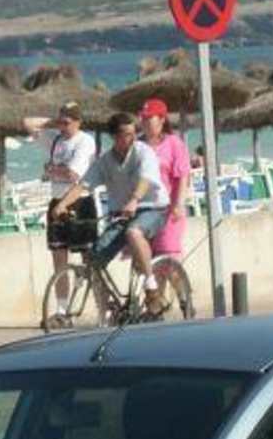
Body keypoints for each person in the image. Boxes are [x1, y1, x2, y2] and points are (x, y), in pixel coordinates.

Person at [54, 111, 165, 305]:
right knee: (93, 260)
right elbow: (83, 185)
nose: (132, 138)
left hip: (151, 208)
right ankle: (106, 310)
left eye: (134, 133)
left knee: (133, 232)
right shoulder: (105, 161)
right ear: (114, 136)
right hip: (122, 214)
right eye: (126, 134)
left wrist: (134, 200)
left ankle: (151, 286)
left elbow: (146, 179)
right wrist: (62, 204)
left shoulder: (143, 152)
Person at [41, 101, 98, 309]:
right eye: (60, 122)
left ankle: (102, 307)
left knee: (89, 258)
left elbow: (74, 174)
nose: (62, 127)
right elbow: (28, 123)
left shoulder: (85, 141)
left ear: (78, 122)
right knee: (58, 258)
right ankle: (62, 308)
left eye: (67, 123)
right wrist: (54, 122)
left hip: (79, 201)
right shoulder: (56, 139)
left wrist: (51, 170)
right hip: (56, 200)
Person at [140, 98, 191, 273]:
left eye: (149, 118)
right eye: (143, 118)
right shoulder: (138, 146)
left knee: (168, 261)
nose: (145, 122)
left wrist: (179, 204)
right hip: (144, 210)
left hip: (168, 210)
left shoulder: (173, 143)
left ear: (162, 119)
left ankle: (182, 291)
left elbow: (183, 175)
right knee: (147, 266)